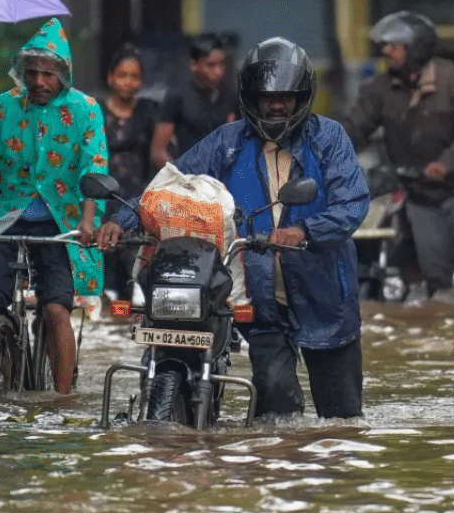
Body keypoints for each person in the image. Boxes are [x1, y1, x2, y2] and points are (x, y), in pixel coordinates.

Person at [97, 37, 370, 420]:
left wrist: (305, 230)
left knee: (341, 422)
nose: (276, 105)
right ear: (249, 97)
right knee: (277, 419)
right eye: (266, 97)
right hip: (261, 300)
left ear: (303, 95)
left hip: (324, 294)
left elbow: (353, 204)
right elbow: (170, 187)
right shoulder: (227, 142)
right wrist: (119, 221)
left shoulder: (329, 137)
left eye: (286, 97)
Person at [0, 18, 108, 394]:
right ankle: (9, 368)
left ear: (64, 75)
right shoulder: (3, 107)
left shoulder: (86, 109)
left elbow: (95, 166)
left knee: (56, 309)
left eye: (47, 74)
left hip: (62, 223)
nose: (39, 81)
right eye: (32, 73)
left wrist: (88, 222)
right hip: (4, 219)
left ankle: (61, 400)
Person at [342, 10, 454, 294]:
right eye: (385, 45)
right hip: (420, 194)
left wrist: (446, 163)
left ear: (415, 48)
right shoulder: (379, 89)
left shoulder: (453, 80)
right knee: (436, 278)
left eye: (394, 45)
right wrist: (320, 149)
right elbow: (355, 129)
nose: (385, 51)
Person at [99, 43, 157, 300]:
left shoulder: (150, 112)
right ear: (111, 77)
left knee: (135, 265)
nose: (128, 82)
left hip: (136, 197)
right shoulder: (95, 111)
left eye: (134, 76)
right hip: (100, 195)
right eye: (122, 75)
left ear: (142, 81)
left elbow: (158, 154)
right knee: (101, 266)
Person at [150, 32, 238, 169]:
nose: (218, 72)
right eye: (211, 65)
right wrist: (181, 172)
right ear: (194, 65)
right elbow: (158, 152)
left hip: (221, 178)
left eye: (222, 64)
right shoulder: (177, 96)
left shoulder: (230, 96)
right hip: (187, 178)